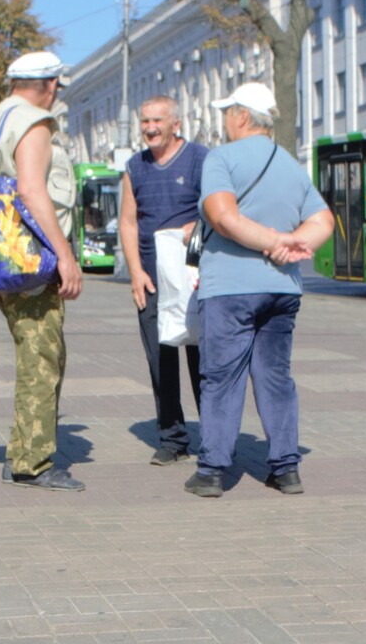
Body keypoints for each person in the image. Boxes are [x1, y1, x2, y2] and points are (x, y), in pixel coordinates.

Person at [184, 82, 335, 498]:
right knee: (275, 376)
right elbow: (324, 221)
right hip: (282, 288)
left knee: (221, 377)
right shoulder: (290, 164)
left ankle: (213, 470)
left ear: (242, 116)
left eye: (226, 112)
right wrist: (293, 245)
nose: (224, 121)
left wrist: (271, 242)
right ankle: (286, 469)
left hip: (230, 287)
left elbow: (221, 215)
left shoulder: (221, 158)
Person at [0, 51, 86, 492]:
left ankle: (20, 452)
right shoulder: (32, 123)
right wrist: (64, 254)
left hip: (0, 253)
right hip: (29, 255)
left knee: (33, 352)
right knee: (43, 356)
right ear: (52, 84)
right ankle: (34, 462)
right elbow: (31, 190)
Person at [118, 97, 209, 465]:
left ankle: (216, 437)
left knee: (204, 361)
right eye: (144, 121)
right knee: (161, 360)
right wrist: (136, 272)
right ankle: (172, 438)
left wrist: (197, 230)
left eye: (157, 120)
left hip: (195, 278)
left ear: (176, 124)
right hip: (153, 282)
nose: (150, 127)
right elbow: (128, 221)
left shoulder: (201, 159)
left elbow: (217, 210)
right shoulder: (134, 167)